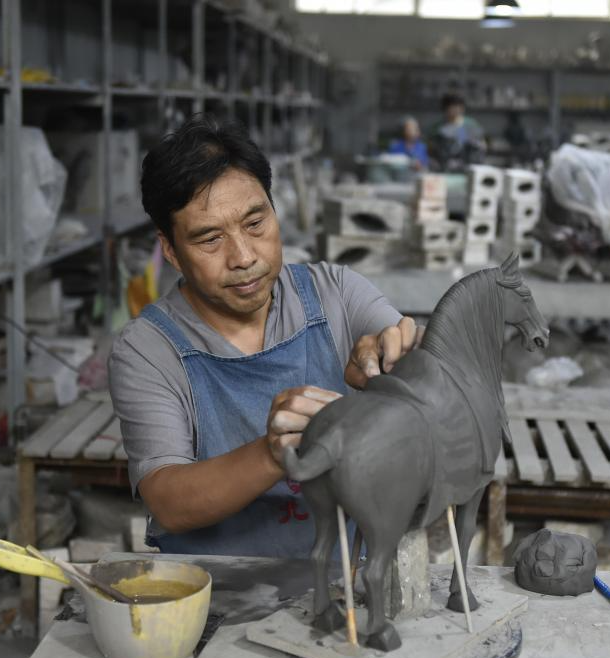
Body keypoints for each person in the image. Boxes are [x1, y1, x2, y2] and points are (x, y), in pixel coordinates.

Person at [109, 115, 421, 557]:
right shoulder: (147, 350)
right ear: (171, 251)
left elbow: (424, 379)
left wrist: (391, 367)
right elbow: (168, 501)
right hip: (218, 589)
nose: (243, 257)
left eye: (255, 224)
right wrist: (272, 454)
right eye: (210, 239)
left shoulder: (336, 293)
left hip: (349, 579)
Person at [432, 93, 486, 170]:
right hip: (445, 169)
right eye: (452, 106)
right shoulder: (438, 128)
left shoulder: (471, 125)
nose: (456, 109)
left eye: (458, 106)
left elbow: (481, 146)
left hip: (469, 167)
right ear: (445, 109)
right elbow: (432, 150)